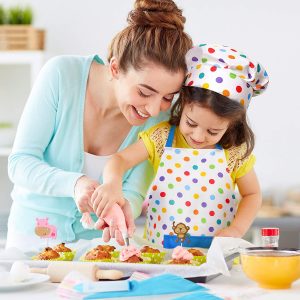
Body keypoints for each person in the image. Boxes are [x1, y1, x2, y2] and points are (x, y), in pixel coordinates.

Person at [6, 0, 193, 251]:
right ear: (115, 68)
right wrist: (75, 184)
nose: (152, 109)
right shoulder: (61, 75)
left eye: (168, 97)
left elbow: (135, 191)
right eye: (145, 92)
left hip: (97, 251)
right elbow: (20, 163)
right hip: (31, 241)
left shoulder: (161, 118)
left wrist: (122, 205)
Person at [91, 43, 269, 248]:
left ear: (231, 124)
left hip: (214, 256)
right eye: (191, 123)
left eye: (213, 131)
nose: (199, 136)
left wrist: (237, 229)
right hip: (161, 253)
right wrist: (113, 184)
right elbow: (119, 159)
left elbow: (252, 194)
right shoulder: (162, 138)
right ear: (182, 103)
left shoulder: (234, 152)